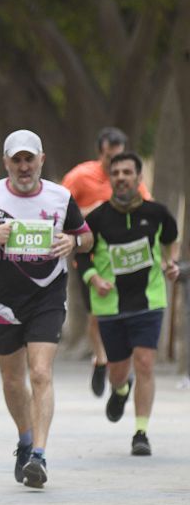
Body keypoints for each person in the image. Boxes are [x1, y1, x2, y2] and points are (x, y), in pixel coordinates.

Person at [0, 130, 92, 489]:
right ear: (6, 163)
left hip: (47, 296)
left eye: (29, 159)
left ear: (41, 160)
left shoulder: (61, 197)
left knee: (41, 373)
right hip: (2, 302)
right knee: (13, 381)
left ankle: (40, 456)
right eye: (16, 159)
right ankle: (25, 438)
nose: (24, 166)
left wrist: (73, 241)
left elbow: (87, 236)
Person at [75, 152, 180, 456]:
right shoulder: (96, 219)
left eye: (127, 172)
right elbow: (81, 255)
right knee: (118, 371)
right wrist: (94, 278)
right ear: (111, 179)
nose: (121, 177)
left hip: (150, 300)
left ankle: (141, 432)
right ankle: (121, 389)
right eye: (116, 172)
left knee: (145, 362)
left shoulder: (158, 213)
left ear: (138, 178)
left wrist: (170, 262)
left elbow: (171, 239)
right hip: (111, 304)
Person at [62, 128, 152, 397]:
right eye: (110, 157)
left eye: (120, 156)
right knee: (97, 315)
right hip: (90, 254)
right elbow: (58, 207)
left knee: (124, 313)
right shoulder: (80, 176)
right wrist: (96, 210)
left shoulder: (130, 178)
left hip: (124, 256)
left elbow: (148, 207)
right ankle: (101, 359)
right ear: (100, 153)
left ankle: (118, 367)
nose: (117, 166)